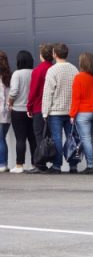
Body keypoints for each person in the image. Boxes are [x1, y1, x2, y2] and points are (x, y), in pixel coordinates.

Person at [42, 43, 79, 173]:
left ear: (55, 54)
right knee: (72, 138)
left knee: (57, 138)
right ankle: (73, 165)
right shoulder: (74, 69)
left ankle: (57, 165)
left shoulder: (52, 70)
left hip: (55, 111)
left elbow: (48, 93)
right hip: (71, 111)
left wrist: (44, 112)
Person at [69, 52, 93, 174]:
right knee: (90, 139)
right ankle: (91, 164)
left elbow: (76, 98)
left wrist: (72, 114)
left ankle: (90, 166)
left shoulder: (79, 77)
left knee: (86, 139)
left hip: (83, 113)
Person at [27, 43, 55, 173]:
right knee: (51, 136)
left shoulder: (38, 70)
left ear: (42, 55)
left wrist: (29, 107)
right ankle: (52, 162)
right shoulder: (54, 69)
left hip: (39, 107)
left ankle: (41, 164)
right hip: (54, 109)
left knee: (39, 136)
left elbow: (33, 92)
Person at [8, 50, 35, 173]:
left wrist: (10, 102)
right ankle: (35, 164)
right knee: (32, 138)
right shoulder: (34, 72)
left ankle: (19, 165)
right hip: (33, 111)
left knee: (20, 139)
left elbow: (13, 92)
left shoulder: (17, 74)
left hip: (18, 111)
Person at [0, 52, 10, 172]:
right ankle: (4, 163)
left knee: (0, 139)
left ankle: (2, 164)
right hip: (8, 114)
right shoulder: (9, 76)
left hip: (0, 113)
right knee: (3, 139)